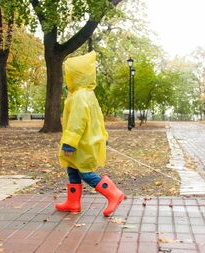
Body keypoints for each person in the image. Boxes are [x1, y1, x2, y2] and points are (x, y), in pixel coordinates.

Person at [55, 51, 125, 217]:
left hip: (82, 144)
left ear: (75, 76)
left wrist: (69, 143)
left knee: (84, 172)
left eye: (69, 75)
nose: (67, 78)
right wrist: (103, 136)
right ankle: (73, 202)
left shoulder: (79, 96)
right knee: (72, 170)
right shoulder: (87, 94)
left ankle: (113, 194)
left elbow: (77, 122)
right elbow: (97, 119)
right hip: (87, 141)